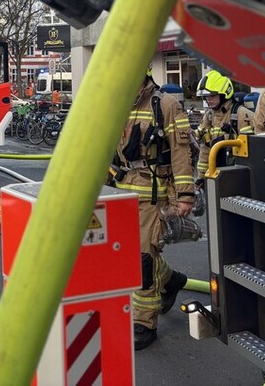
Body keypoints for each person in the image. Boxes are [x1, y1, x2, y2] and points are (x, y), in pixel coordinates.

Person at [110, 66, 195, 350]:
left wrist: (184, 194)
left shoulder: (166, 105)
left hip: (153, 194)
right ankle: (171, 281)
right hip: (121, 193)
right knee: (125, 255)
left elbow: (181, 151)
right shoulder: (117, 103)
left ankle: (144, 324)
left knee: (143, 260)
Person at [193, 71, 238, 178]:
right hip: (214, 174)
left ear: (224, 94)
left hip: (235, 173)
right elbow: (205, 150)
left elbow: (251, 146)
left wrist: (227, 138)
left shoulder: (239, 114)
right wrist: (201, 178)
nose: (208, 100)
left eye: (212, 96)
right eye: (205, 97)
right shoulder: (208, 116)